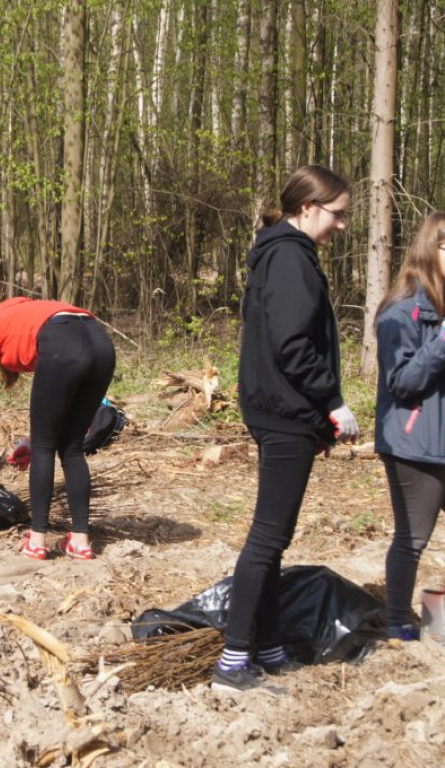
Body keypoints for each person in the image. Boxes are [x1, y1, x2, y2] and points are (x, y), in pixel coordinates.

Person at [212, 165, 359, 693]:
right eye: (337, 214)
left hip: (281, 410)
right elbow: (294, 346)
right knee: (267, 538)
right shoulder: (291, 260)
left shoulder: (281, 255)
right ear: (307, 207)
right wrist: (334, 404)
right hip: (284, 414)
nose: (342, 226)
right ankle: (232, 663)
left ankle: (268, 647)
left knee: (276, 540)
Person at [0, 298, 115, 561]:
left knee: (44, 448)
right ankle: (80, 542)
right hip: (102, 341)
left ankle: (37, 540)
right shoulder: (25, 313)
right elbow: (69, 410)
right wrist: (32, 439)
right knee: (71, 448)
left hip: (65, 344)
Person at [374, 212, 445, 642]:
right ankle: (398, 624)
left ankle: (437, 623)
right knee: (413, 538)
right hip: (414, 444)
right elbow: (402, 382)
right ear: (431, 249)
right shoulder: (402, 312)